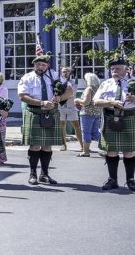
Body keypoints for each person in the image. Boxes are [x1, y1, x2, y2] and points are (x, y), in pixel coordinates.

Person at [94, 57, 135, 191]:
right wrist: (111, 103)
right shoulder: (105, 83)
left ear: (126, 69)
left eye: (118, 68)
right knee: (111, 151)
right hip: (111, 117)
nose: (114, 71)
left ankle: (131, 180)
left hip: (130, 117)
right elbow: (95, 101)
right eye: (112, 68)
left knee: (129, 151)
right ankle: (112, 180)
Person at [18, 54, 72, 185]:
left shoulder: (55, 75)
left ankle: (45, 174)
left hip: (51, 112)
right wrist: (41, 103)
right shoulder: (27, 77)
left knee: (47, 146)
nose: (40, 67)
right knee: (35, 145)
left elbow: (70, 90)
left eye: (43, 65)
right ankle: (33, 174)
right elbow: (22, 96)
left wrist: (60, 97)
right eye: (38, 64)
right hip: (34, 112)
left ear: (47, 66)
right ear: (34, 65)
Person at [76, 72, 102, 157]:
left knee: (86, 132)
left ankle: (86, 151)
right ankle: (108, 146)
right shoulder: (99, 88)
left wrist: (77, 100)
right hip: (97, 112)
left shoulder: (89, 89)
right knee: (95, 132)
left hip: (87, 113)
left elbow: (86, 102)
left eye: (85, 79)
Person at [57, 67, 81, 152]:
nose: (65, 73)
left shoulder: (73, 82)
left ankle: (82, 145)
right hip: (61, 107)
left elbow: (72, 93)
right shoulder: (59, 83)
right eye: (63, 72)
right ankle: (63, 144)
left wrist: (61, 96)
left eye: (67, 71)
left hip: (71, 106)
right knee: (62, 126)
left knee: (76, 126)